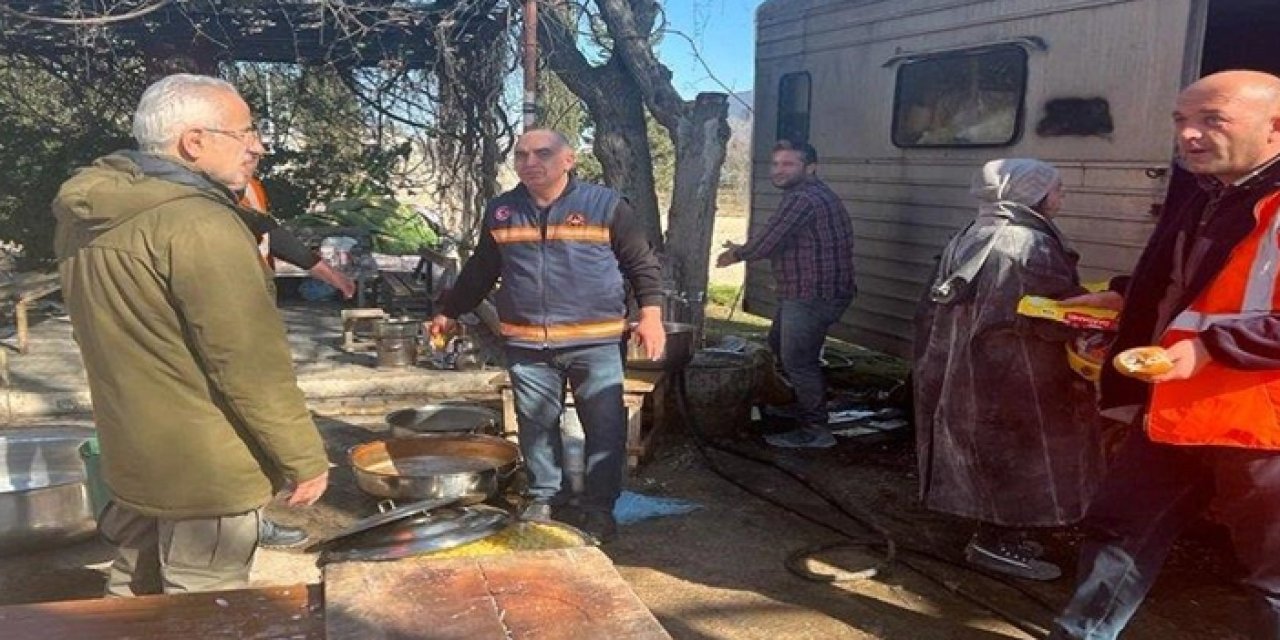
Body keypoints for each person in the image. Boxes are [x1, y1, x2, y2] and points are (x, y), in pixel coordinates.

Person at [52, 73, 330, 596]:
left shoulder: (87, 216)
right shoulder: (199, 225)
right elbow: (248, 363)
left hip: (132, 451)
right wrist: (305, 458)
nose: (258, 146)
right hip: (204, 468)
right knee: (203, 602)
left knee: (134, 591)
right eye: (244, 132)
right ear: (194, 142)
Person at [1048, 70, 1280, 639]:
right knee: (1119, 531)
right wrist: (1127, 292)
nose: (1189, 135)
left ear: (1276, 127)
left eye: (1212, 120)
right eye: (1181, 120)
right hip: (1176, 410)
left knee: (1273, 575)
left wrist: (1211, 349)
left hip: (1259, 427)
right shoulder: (1216, 194)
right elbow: (1198, 281)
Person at [428, 129, 664, 542]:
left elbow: (641, 263)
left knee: (605, 428)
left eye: (542, 153)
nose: (530, 162)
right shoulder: (501, 211)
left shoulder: (605, 206)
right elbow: (481, 269)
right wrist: (448, 311)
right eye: (521, 155)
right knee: (536, 424)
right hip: (527, 343)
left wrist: (651, 315)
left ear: (569, 159)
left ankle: (599, 507)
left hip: (596, 341)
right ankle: (543, 497)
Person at [913, 158, 1103, 581]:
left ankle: (1000, 533)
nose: (1062, 196)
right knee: (1021, 454)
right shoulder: (1026, 243)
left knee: (989, 448)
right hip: (1018, 372)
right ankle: (997, 543)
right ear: (1031, 193)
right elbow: (1043, 312)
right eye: (1056, 189)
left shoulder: (976, 230)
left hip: (971, 365)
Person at [716, 140, 856, 449]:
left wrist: (736, 255)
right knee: (778, 345)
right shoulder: (812, 195)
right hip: (812, 290)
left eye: (788, 164)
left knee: (799, 361)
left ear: (810, 168)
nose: (779, 170)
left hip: (812, 294)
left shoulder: (803, 199)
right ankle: (796, 405)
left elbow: (768, 241)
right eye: (776, 164)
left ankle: (816, 430)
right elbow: (781, 239)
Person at [239, 174, 357, 300]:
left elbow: (270, 234)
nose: (252, 157)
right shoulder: (222, 193)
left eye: (256, 155)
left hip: (259, 285)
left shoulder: (250, 184)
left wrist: (331, 275)